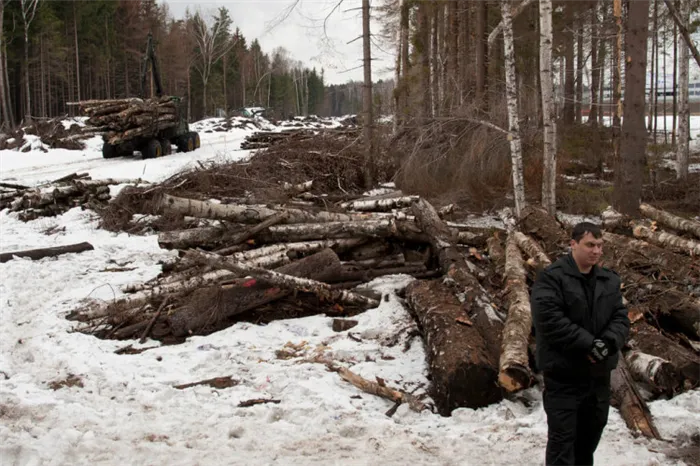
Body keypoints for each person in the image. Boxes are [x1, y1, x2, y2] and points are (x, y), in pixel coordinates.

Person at [531, 222, 630, 466]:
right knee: (563, 442)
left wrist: (607, 343)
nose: (596, 251)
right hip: (564, 375)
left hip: (598, 377)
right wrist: (588, 344)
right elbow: (549, 320)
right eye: (590, 245)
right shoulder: (551, 278)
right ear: (573, 244)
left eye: (599, 245)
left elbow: (620, 317)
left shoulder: (608, 280)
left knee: (588, 442)